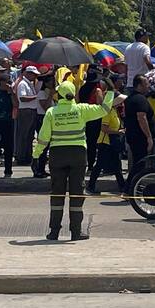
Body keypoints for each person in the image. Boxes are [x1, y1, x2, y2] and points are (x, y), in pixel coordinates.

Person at [33, 80, 115, 240]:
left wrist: (36, 155)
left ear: (59, 95)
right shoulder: (81, 109)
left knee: (57, 193)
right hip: (78, 154)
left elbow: (43, 138)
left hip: (57, 155)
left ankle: (54, 231)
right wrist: (110, 91)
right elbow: (104, 110)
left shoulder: (51, 112)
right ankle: (76, 232)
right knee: (77, 193)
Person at [86, 93, 126, 195]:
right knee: (100, 165)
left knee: (117, 166)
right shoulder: (108, 112)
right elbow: (104, 128)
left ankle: (122, 187)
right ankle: (90, 186)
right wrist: (118, 132)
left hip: (111, 142)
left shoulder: (114, 111)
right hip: (105, 142)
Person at [124, 75, 155, 171]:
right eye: (146, 84)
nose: (148, 86)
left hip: (134, 136)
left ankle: (133, 183)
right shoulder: (139, 99)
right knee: (139, 164)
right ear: (139, 85)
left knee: (138, 163)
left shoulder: (131, 98)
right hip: (140, 138)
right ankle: (132, 184)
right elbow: (141, 118)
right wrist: (149, 137)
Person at [14, 66, 41, 167]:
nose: (35, 76)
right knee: (23, 135)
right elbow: (23, 98)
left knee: (29, 136)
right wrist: (36, 97)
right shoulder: (23, 84)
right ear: (28, 73)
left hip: (31, 111)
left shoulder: (30, 84)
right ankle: (21, 157)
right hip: (25, 111)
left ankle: (27, 156)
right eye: (34, 74)